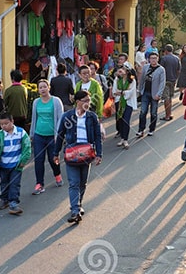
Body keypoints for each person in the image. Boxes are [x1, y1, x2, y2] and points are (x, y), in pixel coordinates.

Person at [53, 90, 103, 223]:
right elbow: (60, 136)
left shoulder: (92, 117)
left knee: (82, 183)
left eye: (89, 100)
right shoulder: (67, 116)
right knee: (74, 183)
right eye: (85, 100)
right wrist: (55, 153)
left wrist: (99, 153)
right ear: (78, 102)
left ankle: (78, 204)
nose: (87, 103)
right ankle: (75, 210)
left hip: (87, 154)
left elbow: (98, 136)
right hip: (72, 154)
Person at [0, 112, 31, 215]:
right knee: (4, 183)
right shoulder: (0, 134)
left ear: (12, 122)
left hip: (16, 165)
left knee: (15, 184)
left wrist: (23, 161)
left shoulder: (21, 133)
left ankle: (13, 203)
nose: (4, 126)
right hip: (3, 165)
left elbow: (27, 147)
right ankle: (4, 199)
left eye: (6, 123)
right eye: (1, 124)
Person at [29, 79, 64, 195]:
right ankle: (39, 184)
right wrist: (32, 134)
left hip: (52, 136)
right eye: (40, 87)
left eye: (44, 87)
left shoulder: (56, 101)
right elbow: (34, 118)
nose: (42, 89)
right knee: (38, 160)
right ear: (38, 90)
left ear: (48, 88)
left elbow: (60, 119)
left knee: (52, 159)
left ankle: (57, 174)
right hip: (39, 134)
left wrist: (58, 135)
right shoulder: (36, 102)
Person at [137, 52, 165, 137]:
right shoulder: (146, 67)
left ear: (158, 59)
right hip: (145, 92)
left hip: (155, 93)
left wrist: (159, 94)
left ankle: (151, 129)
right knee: (143, 112)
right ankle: (141, 130)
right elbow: (142, 79)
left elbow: (162, 83)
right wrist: (140, 90)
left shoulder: (161, 69)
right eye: (152, 58)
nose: (153, 60)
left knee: (153, 113)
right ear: (149, 59)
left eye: (155, 58)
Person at [112, 63, 137, 148]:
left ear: (127, 71)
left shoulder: (132, 80)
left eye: (123, 69)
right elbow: (114, 91)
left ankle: (125, 139)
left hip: (128, 103)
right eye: (120, 69)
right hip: (118, 102)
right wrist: (123, 92)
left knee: (126, 120)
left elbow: (131, 92)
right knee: (120, 120)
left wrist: (122, 92)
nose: (121, 71)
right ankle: (122, 138)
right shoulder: (116, 79)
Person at [159, 44, 180, 121]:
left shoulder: (164, 58)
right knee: (170, 97)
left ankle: (167, 115)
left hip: (165, 80)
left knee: (166, 98)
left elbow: (161, 70)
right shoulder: (176, 58)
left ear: (166, 50)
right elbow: (178, 70)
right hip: (173, 80)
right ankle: (170, 113)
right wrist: (175, 78)